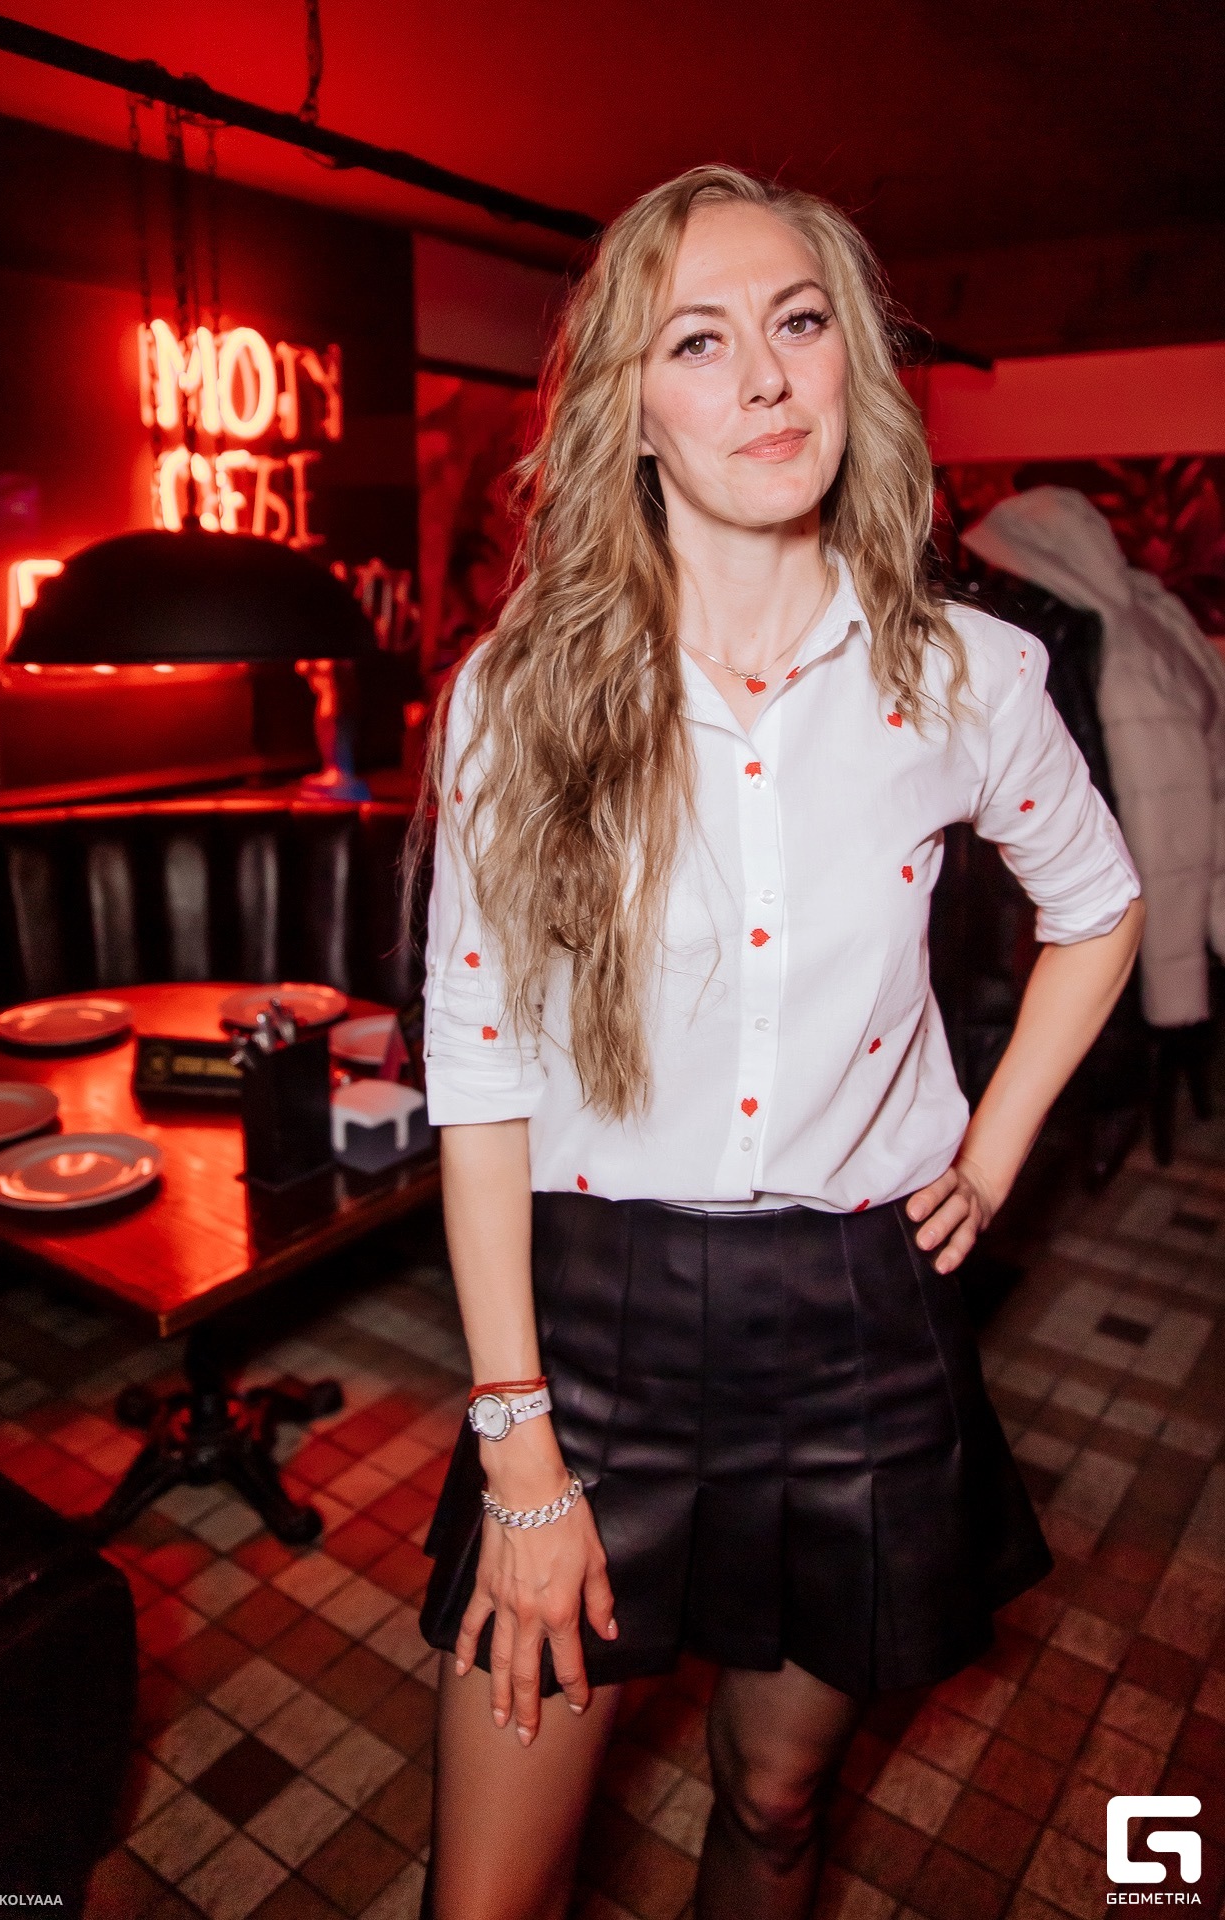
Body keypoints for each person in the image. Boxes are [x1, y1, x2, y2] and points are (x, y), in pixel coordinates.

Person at [406, 164, 1145, 1920]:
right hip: (587, 1331)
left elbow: (1101, 905)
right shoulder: (517, 697)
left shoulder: (966, 674)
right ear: (631, 410)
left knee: (780, 1799)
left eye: (800, 323)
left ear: (850, 365)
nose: (764, 375)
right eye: (699, 340)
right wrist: (517, 1444)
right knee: (488, 1896)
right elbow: (483, 1079)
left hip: (858, 1318)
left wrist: (992, 1154)